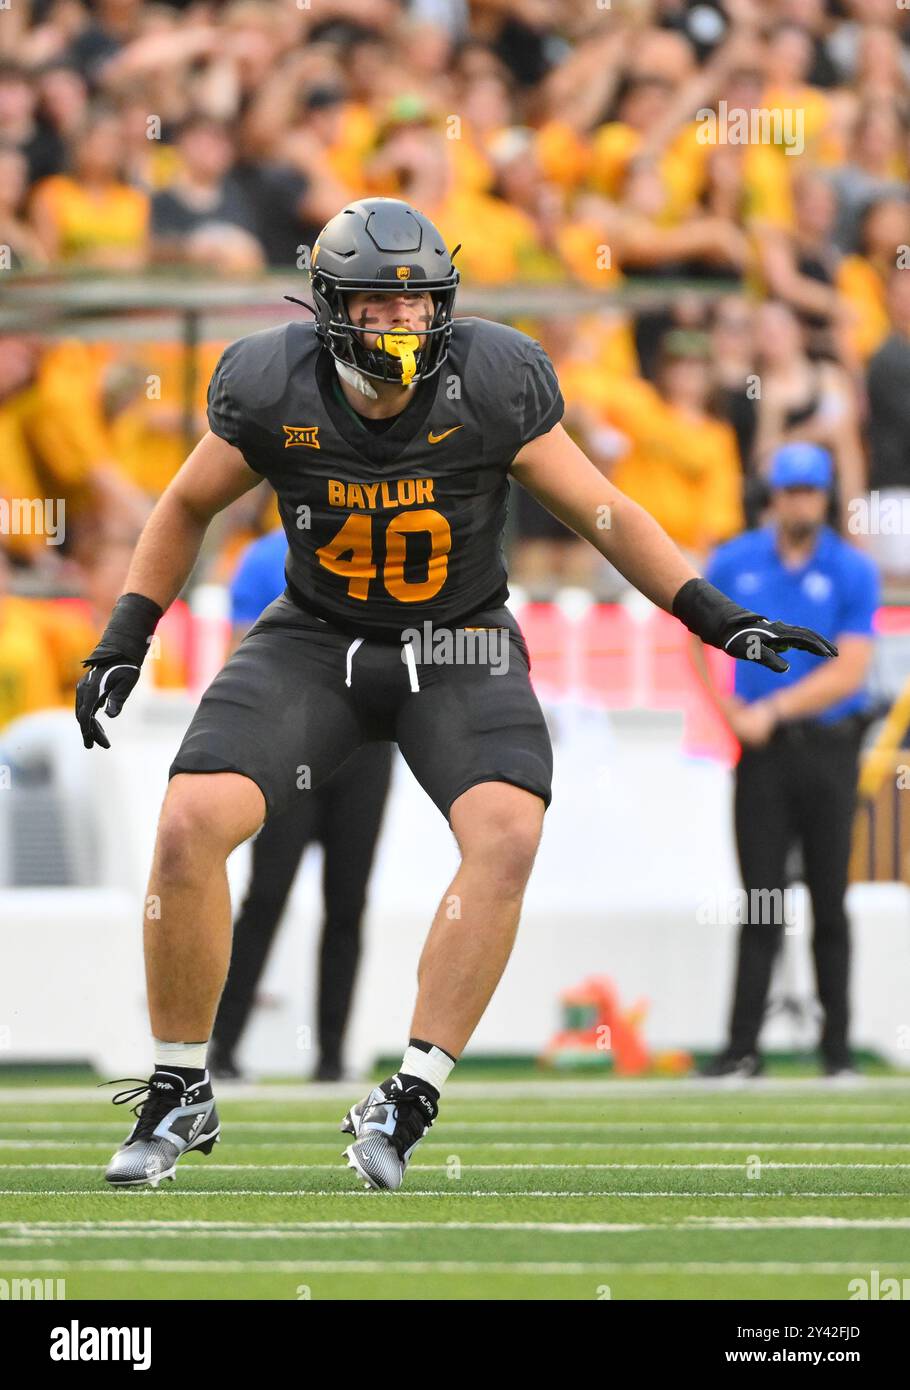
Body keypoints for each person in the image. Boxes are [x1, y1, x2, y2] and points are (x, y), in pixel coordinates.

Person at [75, 197, 835, 1192]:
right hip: (316, 639)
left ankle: (409, 1091)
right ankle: (181, 1084)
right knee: (187, 824)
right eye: (381, 310)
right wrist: (127, 632)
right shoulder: (273, 381)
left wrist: (714, 614)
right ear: (331, 309)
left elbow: (604, 510)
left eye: (419, 307)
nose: (405, 327)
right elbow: (183, 503)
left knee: (508, 831)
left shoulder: (493, 378)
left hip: (459, 641)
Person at [690, 443, 879, 1079]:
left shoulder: (852, 569)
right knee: (762, 899)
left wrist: (774, 709)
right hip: (762, 754)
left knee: (830, 898)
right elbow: (693, 635)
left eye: (810, 490)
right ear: (774, 495)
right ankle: (742, 1045)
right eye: (790, 490)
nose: (800, 501)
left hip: (827, 747)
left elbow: (850, 670)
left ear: (823, 497)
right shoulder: (735, 560)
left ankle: (838, 1049)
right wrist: (727, 712)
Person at [209, 527, 393, 1083]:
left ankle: (331, 1055)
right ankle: (222, 1048)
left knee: (346, 900)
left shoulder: (376, 545)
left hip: (363, 744)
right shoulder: (267, 556)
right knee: (267, 897)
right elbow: (242, 655)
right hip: (296, 745)